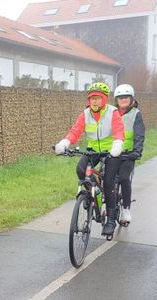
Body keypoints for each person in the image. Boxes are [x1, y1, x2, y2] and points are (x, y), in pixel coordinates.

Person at [54, 82, 124, 236]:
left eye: (98, 98)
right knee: (80, 170)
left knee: (109, 182)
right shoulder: (85, 114)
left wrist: (118, 144)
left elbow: (119, 131)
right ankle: (90, 194)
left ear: (104, 99)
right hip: (93, 151)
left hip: (111, 151)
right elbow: (75, 131)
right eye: (91, 98)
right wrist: (65, 142)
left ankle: (111, 220)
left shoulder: (113, 113)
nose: (94, 101)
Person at [114, 84, 145, 225]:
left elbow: (139, 134)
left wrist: (137, 151)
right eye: (120, 98)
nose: (123, 100)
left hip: (128, 154)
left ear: (131, 99)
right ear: (116, 100)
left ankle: (126, 209)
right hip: (112, 152)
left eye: (126, 97)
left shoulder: (135, 114)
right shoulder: (111, 112)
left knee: (124, 178)